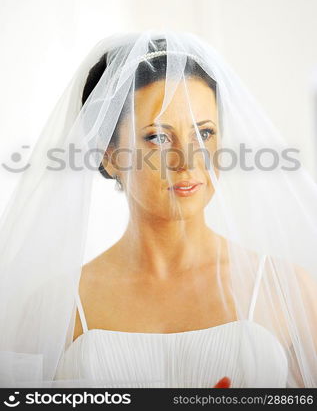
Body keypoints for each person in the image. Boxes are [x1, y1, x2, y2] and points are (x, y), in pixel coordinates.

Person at [0, 31, 316, 388]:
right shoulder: (53, 309)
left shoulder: (289, 291)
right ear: (109, 154)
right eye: (158, 137)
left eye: (205, 133)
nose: (187, 161)